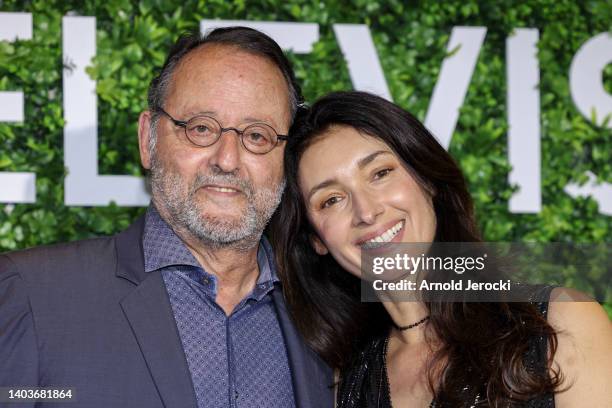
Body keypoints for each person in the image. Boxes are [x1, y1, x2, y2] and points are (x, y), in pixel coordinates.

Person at [0, 28, 332, 408]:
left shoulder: (326, 312)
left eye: (257, 136)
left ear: (286, 160)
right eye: (201, 128)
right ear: (148, 139)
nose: (227, 159)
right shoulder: (31, 294)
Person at [271, 91, 611, 407]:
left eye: (381, 173)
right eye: (331, 199)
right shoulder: (344, 380)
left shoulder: (558, 323)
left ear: (427, 178)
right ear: (316, 239)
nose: (366, 211)